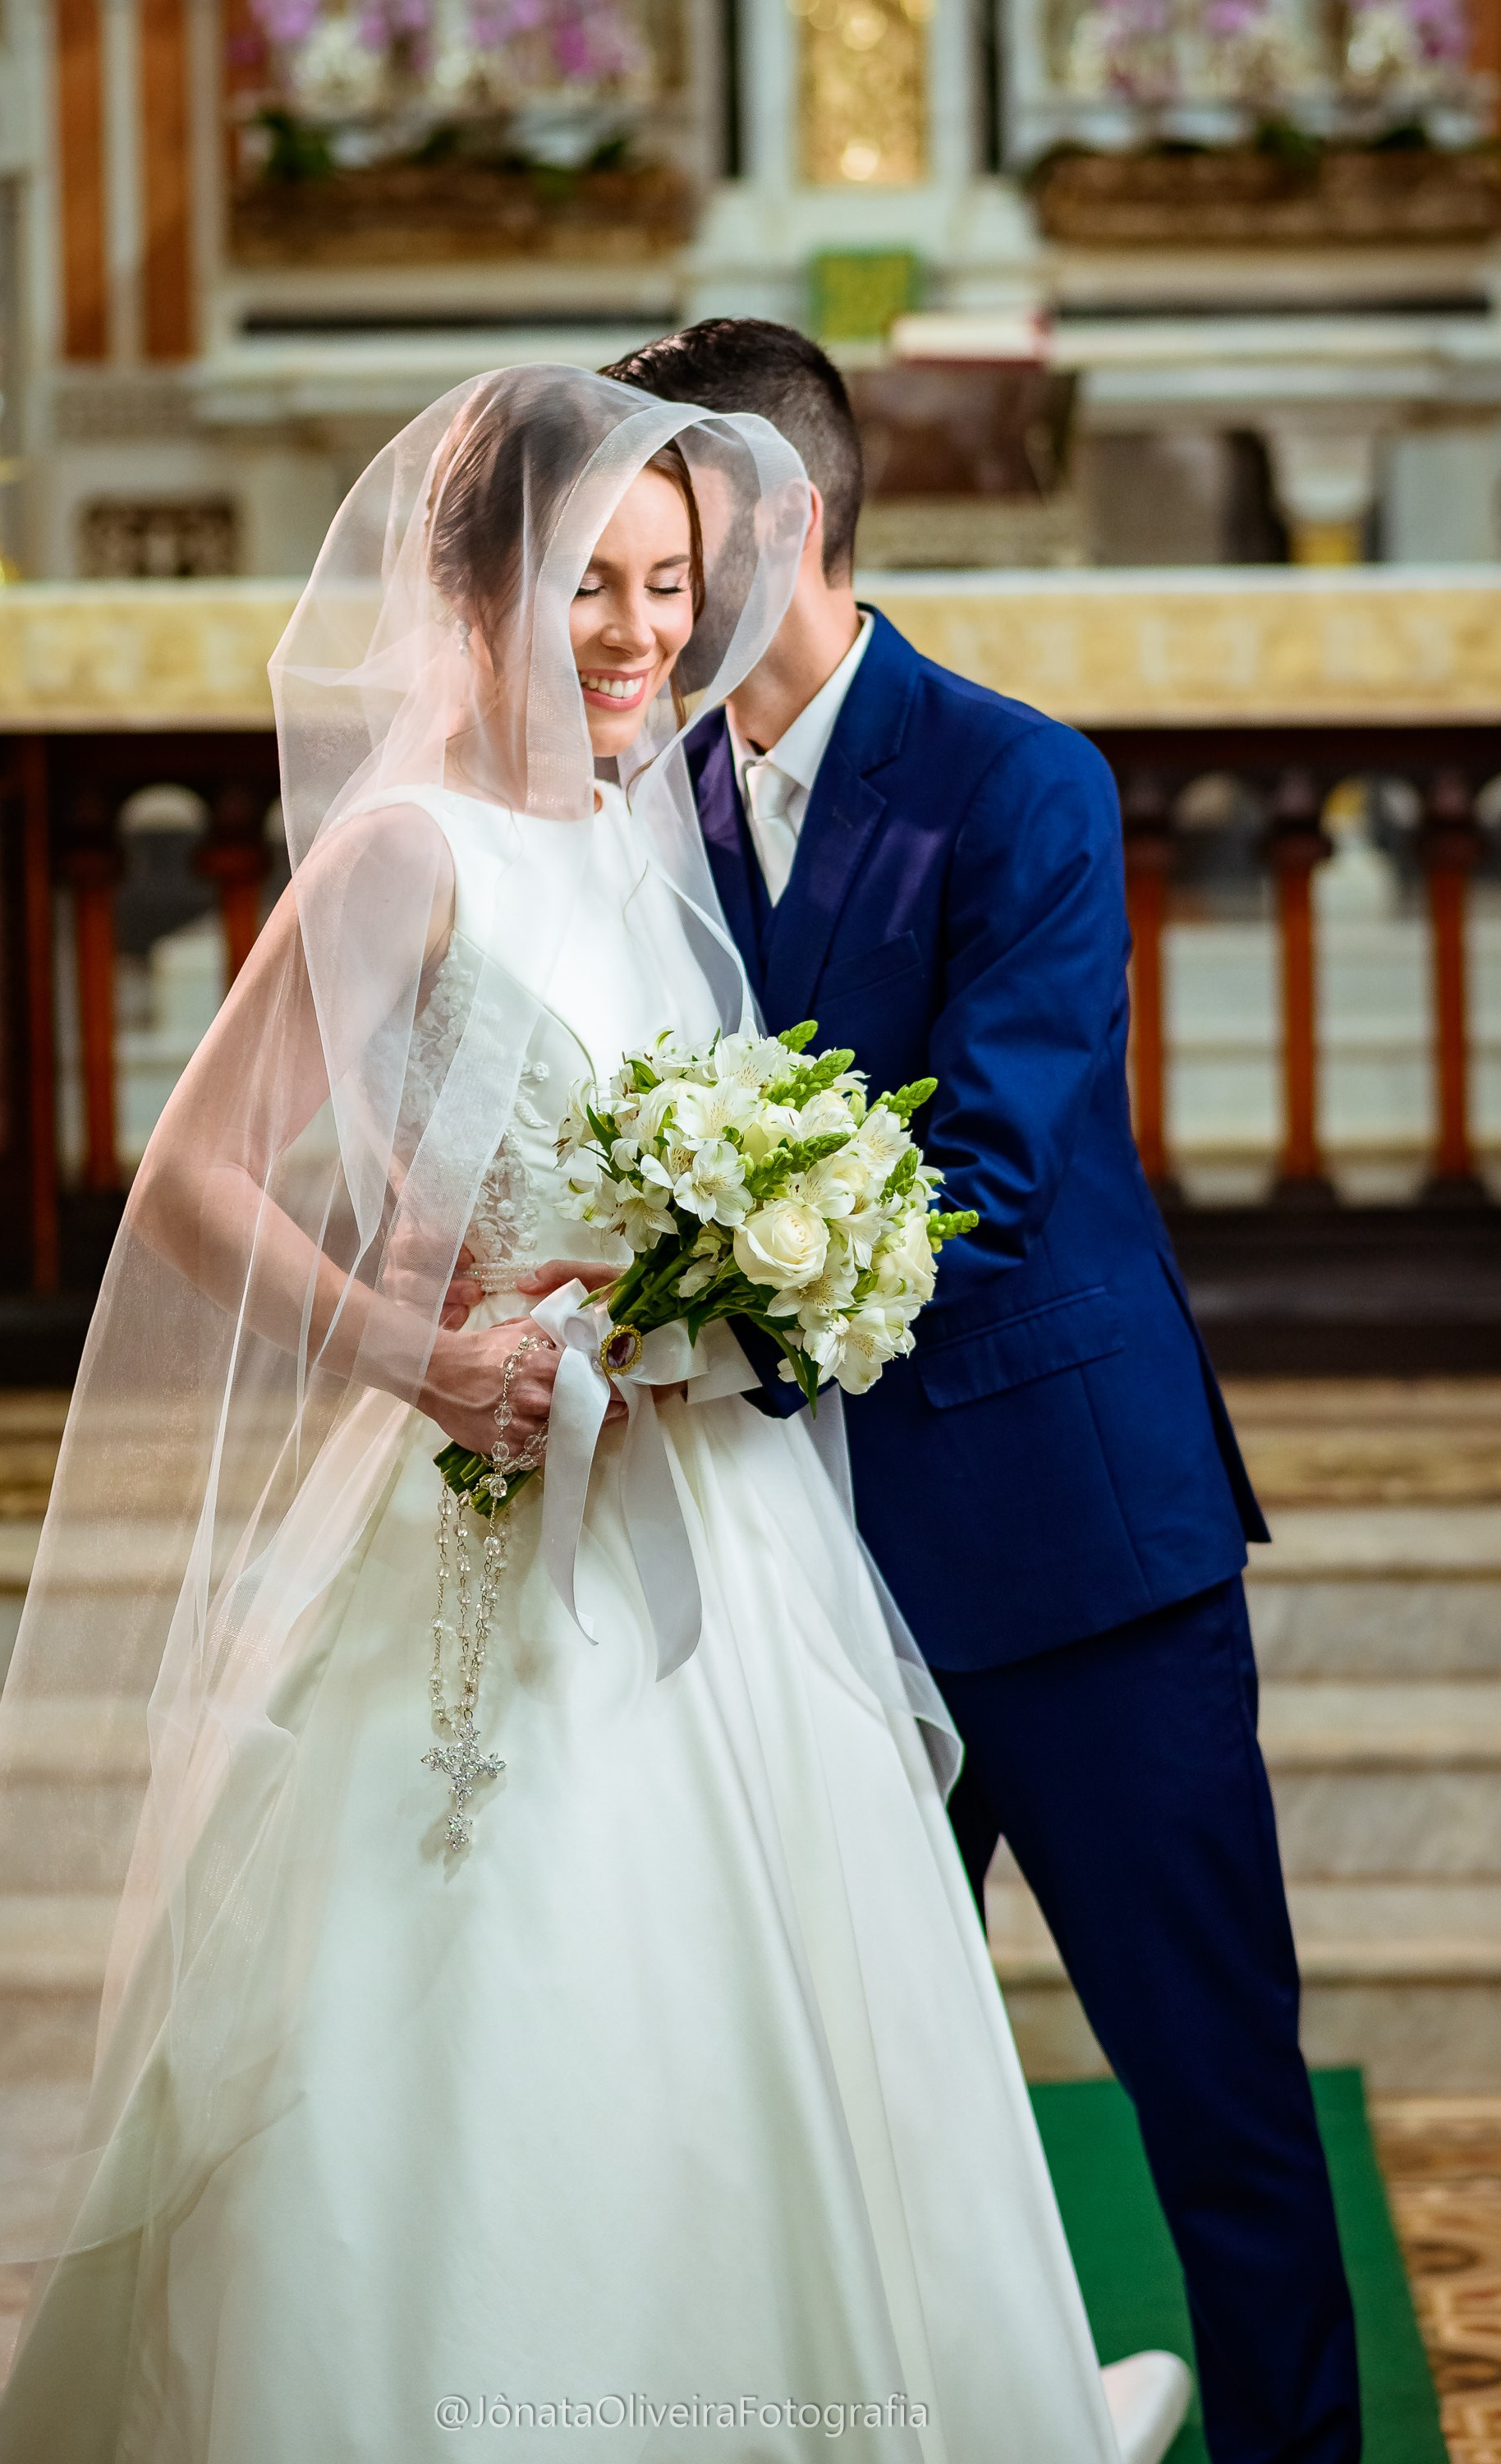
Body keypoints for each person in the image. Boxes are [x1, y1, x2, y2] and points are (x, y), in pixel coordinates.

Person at [0, 368, 1150, 2464]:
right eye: (587, 586)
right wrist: (414, 1351)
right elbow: (191, 1180)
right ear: (476, 588)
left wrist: (765, 1275)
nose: (639, 632)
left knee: (746, 2016)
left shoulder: (653, 839)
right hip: (484, 1512)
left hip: (716, 1518)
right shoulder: (408, 849)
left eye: (668, 583)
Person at [603, 319, 1362, 2464]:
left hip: (1069, 1548)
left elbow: (997, 1178)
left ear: (777, 523)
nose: (631, 582)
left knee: (1213, 2090)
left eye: (664, 529)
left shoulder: (1021, 780)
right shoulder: (645, 809)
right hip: (802, 1584)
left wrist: (679, 1322)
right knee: (838, 2108)